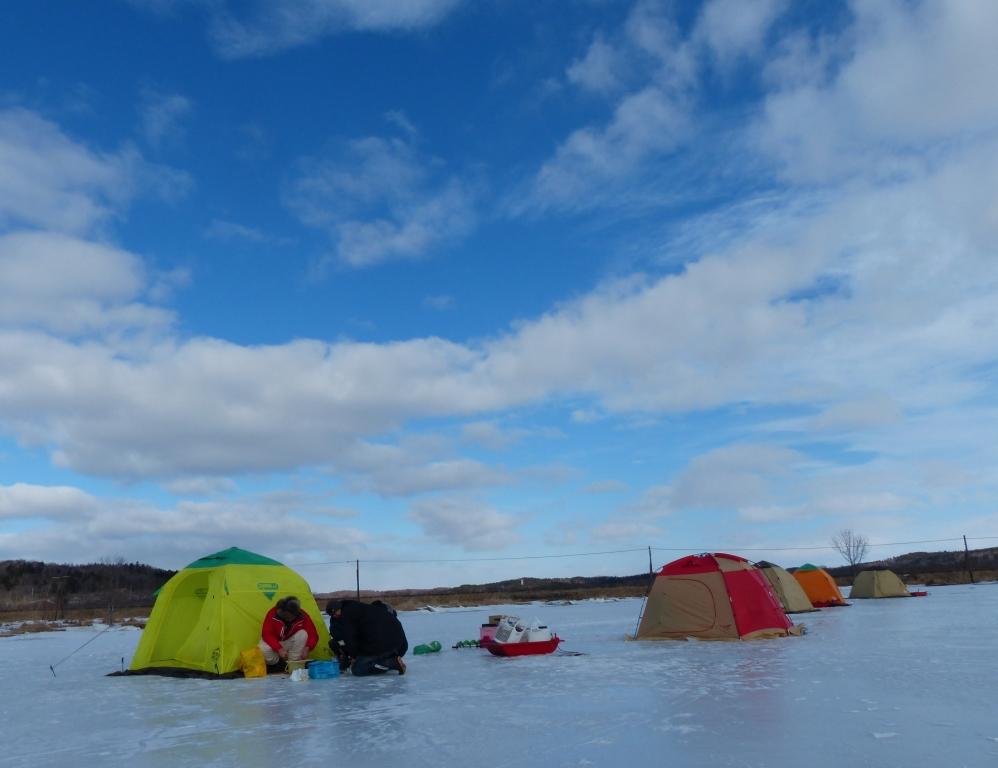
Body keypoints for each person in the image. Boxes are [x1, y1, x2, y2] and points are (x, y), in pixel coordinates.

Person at [326, 598, 408, 676]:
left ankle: (392, 663)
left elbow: (350, 640)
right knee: (341, 644)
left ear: (340, 608)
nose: (334, 615)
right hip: (399, 643)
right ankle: (388, 658)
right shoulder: (355, 609)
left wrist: (354, 656)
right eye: (332, 614)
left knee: (358, 668)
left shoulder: (347, 617)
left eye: (335, 612)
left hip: (387, 645)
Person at [259, 596, 319, 669]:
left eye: (289, 616)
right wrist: (279, 649)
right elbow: (267, 634)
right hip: (276, 642)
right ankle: (278, 664)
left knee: (303, 634)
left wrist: (307, 647)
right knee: (263, 649)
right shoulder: (272, 613)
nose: (287, 619)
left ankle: (293, 662)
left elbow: (313, 634)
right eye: (285, 616)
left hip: (289, 641)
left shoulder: (303, 615)